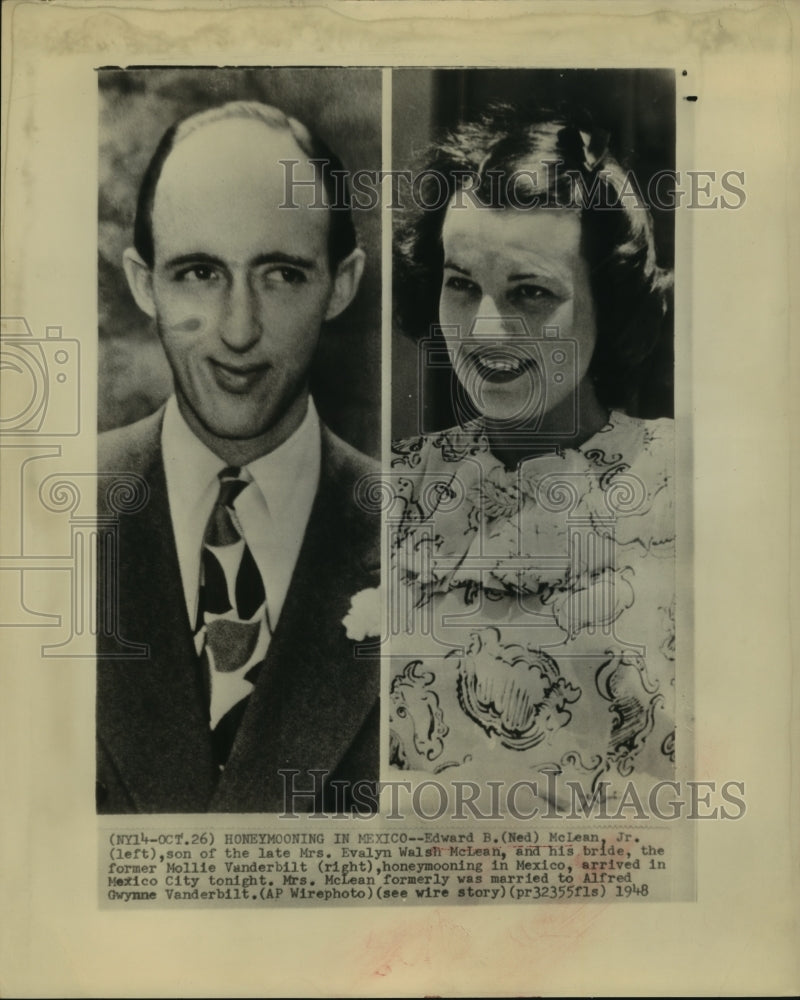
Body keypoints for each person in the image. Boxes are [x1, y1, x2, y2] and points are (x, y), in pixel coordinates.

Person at [96, 101, 380, 814]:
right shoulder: (32, 514)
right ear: (143, 284)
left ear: (341, 286)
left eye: (281, 274)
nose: (238, 329)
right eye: (198, 272)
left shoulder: (439, 546)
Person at [389, 106, 675, 810]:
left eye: (531, 292)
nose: (487, 329)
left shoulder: (685, 483)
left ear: (605, 303)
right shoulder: (390, 486)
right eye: (462, 285)